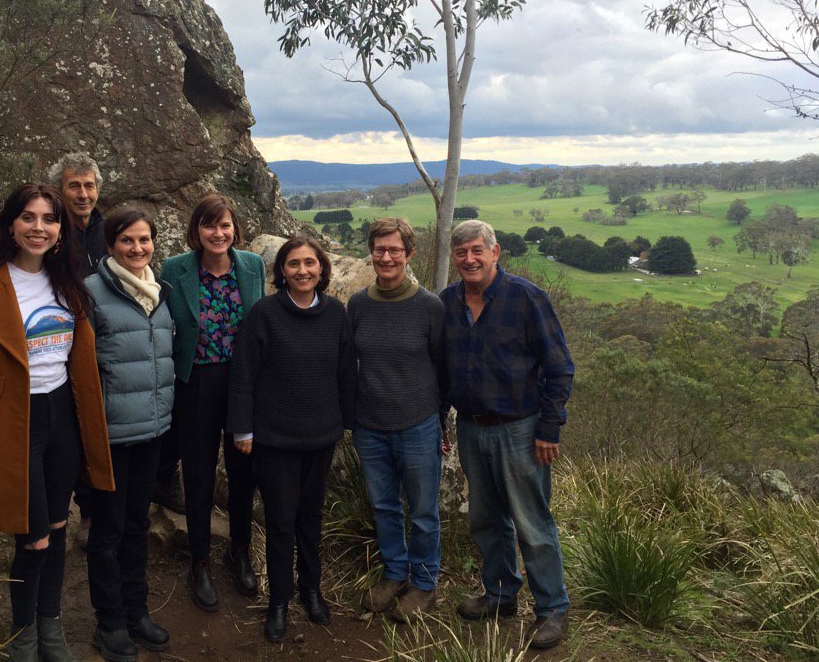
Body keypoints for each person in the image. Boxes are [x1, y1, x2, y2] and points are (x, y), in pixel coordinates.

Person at [0, 184, 114, 662]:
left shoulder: (67, 281)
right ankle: (23, 637)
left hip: (63, 416)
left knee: (56, 526)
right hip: (12, 421)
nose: (39, 228)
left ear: (60, 232)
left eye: (49, 220)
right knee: (32, 535)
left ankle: (50, 631)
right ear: (11, 225)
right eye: (29, 218)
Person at [439, 220, 574, 650]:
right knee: (485, 520)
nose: (469, 259)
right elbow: (443, 370)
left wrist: (549, 427)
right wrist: (442, 418)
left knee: (532, 523)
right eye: (461, 252)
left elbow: (559, 367)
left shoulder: (526, 298)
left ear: (496, 253)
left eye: (478, 250)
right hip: (471, 428)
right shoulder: (447, 302)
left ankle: (552, 608)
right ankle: (500, 594)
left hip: (521, 429)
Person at [228, 234, 355, 644]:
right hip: (274, 438)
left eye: (310, 263)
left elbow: (344, 374)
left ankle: (311, 590)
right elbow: (244, 374)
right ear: (281, 271)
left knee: (311, 518)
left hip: (320, 435)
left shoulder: (337, 313)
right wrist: (243, 429)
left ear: (322, 269)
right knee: (281, 520)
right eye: (294, 264)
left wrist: (347, 422)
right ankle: (279, 601)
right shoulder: (264, 314)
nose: (303, 271)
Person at [159, 195, 265, 611]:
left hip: (243, 384)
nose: (218, 234)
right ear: (196, 231)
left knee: (243, 473)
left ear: (235, 228)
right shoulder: (175, 269)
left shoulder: (252, 265)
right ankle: (199, 559)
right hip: (196, 382)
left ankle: (239, 550)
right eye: (209, 226)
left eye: (225, 226)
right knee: (200, 475)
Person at [84, 207, 175, 661]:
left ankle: (137, 611)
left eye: (144, 240)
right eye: (127, 241)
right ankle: (110, 621)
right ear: (110, 246)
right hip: (111, 434)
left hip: (152, 431)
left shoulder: (158, 292)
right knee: (108, 529)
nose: (137, 249)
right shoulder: (91, 293)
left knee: (137, 524)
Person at [348, 218, 446, 622]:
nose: (386, 257)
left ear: (409, 255)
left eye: (394, 250)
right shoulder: (357, 304)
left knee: (422, 510)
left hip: (417, 424)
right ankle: (394, 573)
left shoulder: (429, 307)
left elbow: (443, 368)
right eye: (379, 249)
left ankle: (424, 583)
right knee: (385, 506)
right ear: (371, 252)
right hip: (369, 425)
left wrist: (441, 424)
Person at [48, 152, 110, 548]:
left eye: (89, 185)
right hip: (63, 343)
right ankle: (80, 510)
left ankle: (101, 507)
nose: (83, 193)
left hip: (107, 342)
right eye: (74, 185)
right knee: (72, 426)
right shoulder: (51, 231)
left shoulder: (109, 230)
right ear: (60, 190)